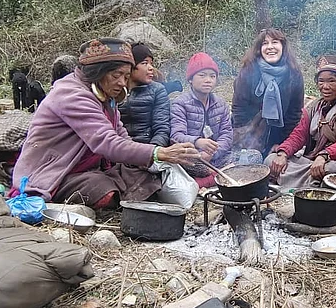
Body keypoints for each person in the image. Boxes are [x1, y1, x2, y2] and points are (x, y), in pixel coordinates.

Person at [11, 38, 200, 209]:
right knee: (102, 189)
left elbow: (121, 135)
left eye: (126, 77)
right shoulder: (72, 95)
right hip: (58, 172)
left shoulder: (104, 95)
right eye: (116, 75)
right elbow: (107, 142)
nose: (122, 83)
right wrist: (159, 152)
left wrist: (152, 156)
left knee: (147, 174)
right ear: (98, 72)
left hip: (92, 168)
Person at [265, 55, 336, 189]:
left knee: (329, 170)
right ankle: (311, 184)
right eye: (321, 81)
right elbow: (299, 135)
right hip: (312, 160)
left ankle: (299, 183)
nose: (325, 86)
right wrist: (283, 154)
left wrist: (324, 155)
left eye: (332, 81)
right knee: (271, 160)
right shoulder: (314, 107)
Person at [232, 28, 304, 155]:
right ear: (259, 49)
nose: (270, 47)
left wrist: (284, 144)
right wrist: (245, 138)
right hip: (251, 130)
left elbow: (294, 113)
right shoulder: (248, 70)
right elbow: (239, 108)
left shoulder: (293, 74)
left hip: (280, 132)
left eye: (275, 42)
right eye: (265, 43)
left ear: (283, 46)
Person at [170, 52, 233, 187]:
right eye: (202, 75)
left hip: (216, 157)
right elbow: (176, 136)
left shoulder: (221, 104)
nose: (208, 80)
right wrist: (197, 142)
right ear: (191, 79)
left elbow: (227, 135)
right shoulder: (180, 103)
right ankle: (220, 177)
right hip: (194, 158)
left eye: (212, 76)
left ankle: (203, 181)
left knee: (252, 155)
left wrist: (212, 152)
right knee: (181, 161)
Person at [118, 43, 171, 147]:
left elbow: (162, 128)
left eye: (151, 63)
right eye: (144, 63)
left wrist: (154, 152)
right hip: (119, 148)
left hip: (148, 147)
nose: (151, 68)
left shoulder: (157, 90)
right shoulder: (115, 89)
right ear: (131, 66)